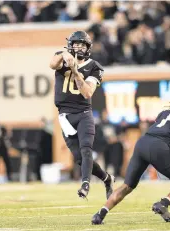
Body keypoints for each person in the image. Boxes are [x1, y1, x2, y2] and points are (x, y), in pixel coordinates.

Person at [91, 87, 170, 225]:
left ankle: (100, 214)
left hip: (142, 143)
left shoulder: (165, 112)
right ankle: (163, 203)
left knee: (127, 186)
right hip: (159, 147)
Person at [49, 30, 114, 199]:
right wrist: (64, 54)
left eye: (81, 45)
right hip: (65, 116)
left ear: (87, 48)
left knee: (86, 150)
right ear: (70, 46)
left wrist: (76, 72)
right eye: (75, 44)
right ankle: (107, 179)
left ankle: (85, 184)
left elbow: (87, 93)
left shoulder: (95, 67)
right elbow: (52, 64)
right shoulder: (62, 57)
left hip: (83, 113)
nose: (78, 48)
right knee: (79, 158)